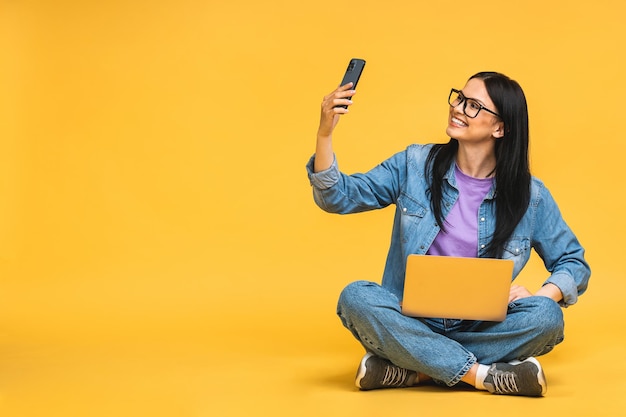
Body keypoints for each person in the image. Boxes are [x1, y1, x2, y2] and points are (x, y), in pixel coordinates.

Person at [306, 71, 591, 397]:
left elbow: (573, 262)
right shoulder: (414, 164)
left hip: (482, 326)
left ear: (500, 127)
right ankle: (483, 375)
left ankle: (415, 369)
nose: (457, 108)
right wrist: (324, 134)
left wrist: (546, 294)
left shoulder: (530, 194)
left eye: (473, 106)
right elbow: (338, 197)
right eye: (459, 98)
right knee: (356, 298)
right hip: (410, 317)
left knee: (547, 317)